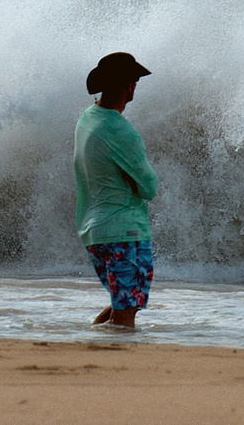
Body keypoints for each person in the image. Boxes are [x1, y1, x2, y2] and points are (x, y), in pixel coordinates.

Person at [75, 52, 158, 328]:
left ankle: (93, 338)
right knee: (127, 309)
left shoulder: (87, 119)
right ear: (128, 86)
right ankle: (114, 363)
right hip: (125, 231)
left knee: (121, 301)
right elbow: (149, 188)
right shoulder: (123, 132)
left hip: (95, 231)